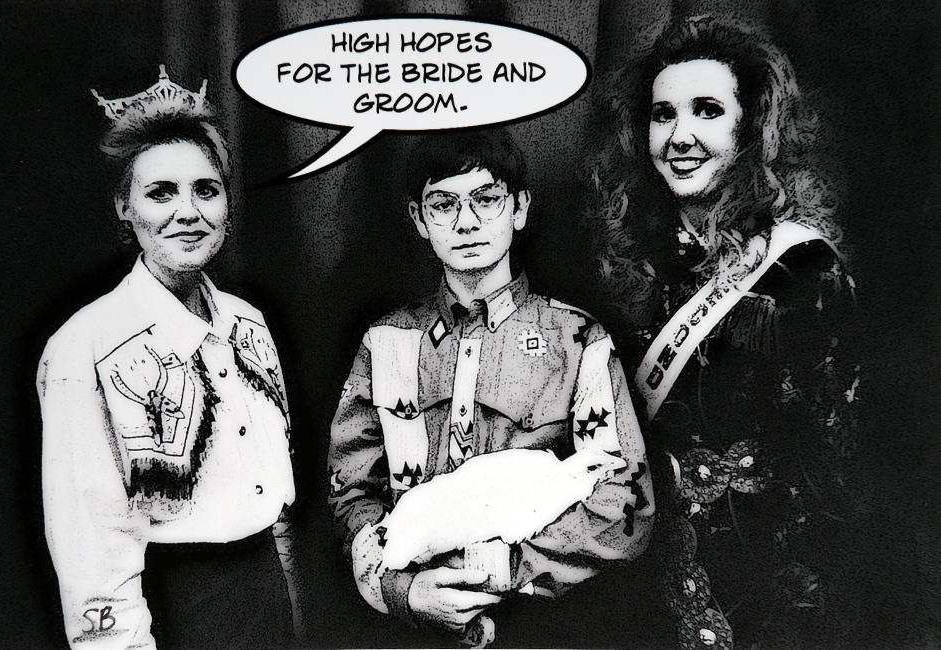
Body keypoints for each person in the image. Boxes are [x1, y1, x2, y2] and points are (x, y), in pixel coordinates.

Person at [586, 15, 862, 650]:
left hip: (760, 595)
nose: (679, 135)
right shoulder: (632, 261)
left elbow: (831, 472)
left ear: (752, 127)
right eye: (663, 115)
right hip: (636, 590)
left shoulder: (805, 271)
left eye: (707, 111)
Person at [327, 129, 654, 647]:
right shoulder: (385, 342)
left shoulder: (576, 339)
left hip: (535, 628)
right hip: (408, 630)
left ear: (519, 208)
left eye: (486, 199)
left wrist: (508, 565)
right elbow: (350, 490)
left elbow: (626, 499)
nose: (467, 222)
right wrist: (403, 591)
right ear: (418, 218)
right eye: (443, 204)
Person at [38, 66, 300, 650]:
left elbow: (273, 493)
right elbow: (91, 546)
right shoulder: (85, 346)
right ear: (123, 206)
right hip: (173, 608)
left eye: (206, 190)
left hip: (266, 597)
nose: (188, 211)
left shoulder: (247, 323)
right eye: (160, 192)